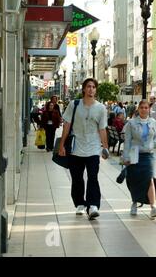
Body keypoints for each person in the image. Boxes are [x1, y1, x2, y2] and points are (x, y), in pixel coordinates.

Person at [58, 78, 109, 220]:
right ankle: (80, 203)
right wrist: (61, 145)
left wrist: (105, 148)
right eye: (88, 86)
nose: (91, 89)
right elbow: (67, 125)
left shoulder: (101, 108)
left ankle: (93, 205)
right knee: (77, 178)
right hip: (76, 149)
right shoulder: (74, 105)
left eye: (93, 87)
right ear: (84, 89)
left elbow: (102, 129)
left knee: (93, 177)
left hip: (93, 148)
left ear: (95, 90)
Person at [121, 100, 156, 219]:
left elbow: (155, 136)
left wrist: (153, 145)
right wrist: (126, 157)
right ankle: (134, 203)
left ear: (149, 109)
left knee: (149, 179)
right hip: (135, 154)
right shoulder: (131, 123)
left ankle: (153, 207)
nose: (144, 109)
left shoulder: (152, 121)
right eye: (142, 107)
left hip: (148, 155)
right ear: (138, 109)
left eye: (146, 108)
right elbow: (127, 141)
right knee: (135, 180)